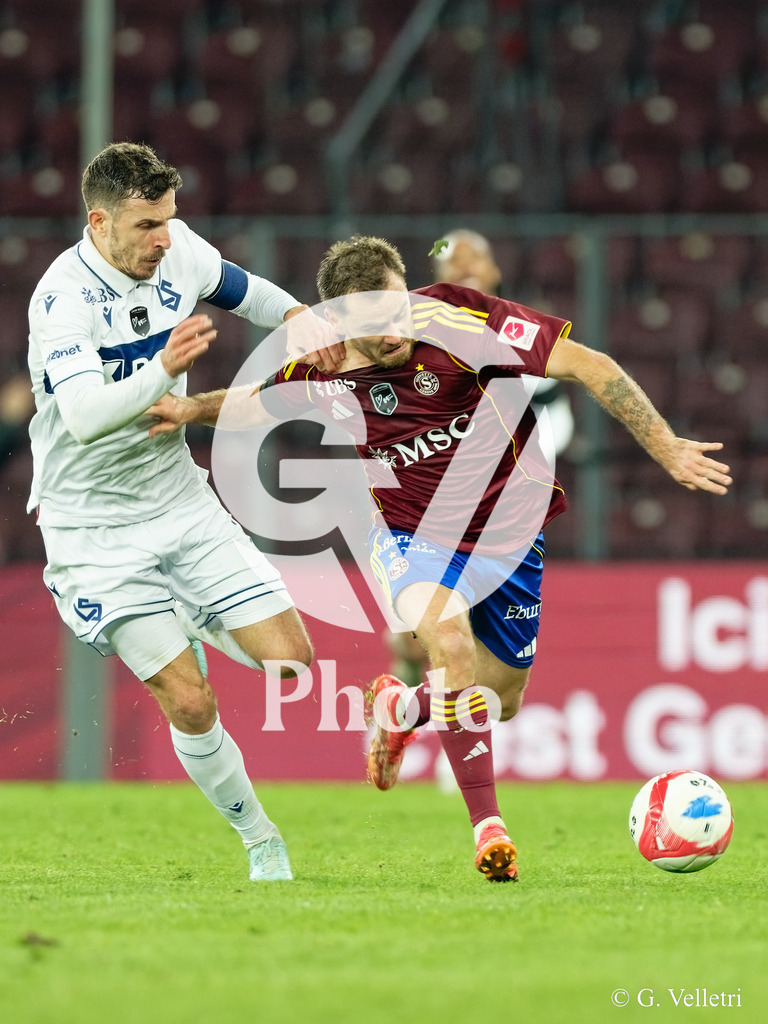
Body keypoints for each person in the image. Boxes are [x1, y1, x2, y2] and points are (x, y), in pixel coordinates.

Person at [146, 235, 732, 883]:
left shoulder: (458, 321)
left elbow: (590, 365)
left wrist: (668, 447)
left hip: (511, 532)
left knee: (498, 700)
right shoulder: (325, 363)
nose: (395, 332)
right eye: (375, 325)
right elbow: (252, 402)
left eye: (399, 311)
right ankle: (490, 831)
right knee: (449, 648)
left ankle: (407, 709)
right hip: (410, 537)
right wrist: (186, 409)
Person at [26, 141, 342, 882]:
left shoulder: (177, 250)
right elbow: (82, 415)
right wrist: (161, 370)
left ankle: (195, 614)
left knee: (293, 665)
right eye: (145, 226)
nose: (163, 238)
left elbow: (246, 290)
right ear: (99, 221)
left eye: (169, 220)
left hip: (178, 502)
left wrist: (301, 319)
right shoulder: (60, 300)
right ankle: (263, 841)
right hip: (93, 529)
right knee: (192, 702)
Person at [388, 229, 576, 689]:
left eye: (476, 260)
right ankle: (408, 687)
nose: (465, 267)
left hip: (505, 514)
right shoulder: (408, 338)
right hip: (425, 514)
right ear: (439, 279)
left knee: (499, 686)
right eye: (453, 263)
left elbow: (557, 418)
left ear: (495, 271)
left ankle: (413, 708)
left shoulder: (521, 335)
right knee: (428, 641)